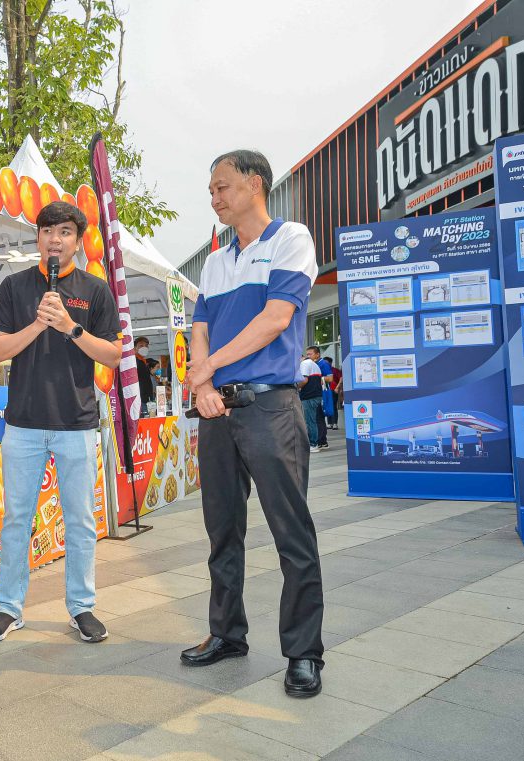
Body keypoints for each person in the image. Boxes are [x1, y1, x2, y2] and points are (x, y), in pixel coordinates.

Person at [183, 149, 325, 698]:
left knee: (292, 532)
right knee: (222, 530)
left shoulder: (291, 238)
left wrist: (208, 369)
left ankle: (303, 652)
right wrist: (203, 386)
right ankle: (227, 633)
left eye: (222, 187)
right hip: (216, 411)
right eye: (211, 190)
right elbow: (199, 327)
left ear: (255, 184)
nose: (214, 198)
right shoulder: (215, 261)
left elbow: (275, 319)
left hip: (270, 406)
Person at [0, 200, 122, 644]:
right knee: (16, 519)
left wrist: (69, 327)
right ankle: (9, 607)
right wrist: (39, 326)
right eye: (47, 231)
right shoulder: (14, 286)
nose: (54, 240)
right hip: (22, 424)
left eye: (64, 232)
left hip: (76, 423)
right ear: (38, 238)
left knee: (80, 520)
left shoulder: (95, 291)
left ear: (77, 240)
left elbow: (113, 355)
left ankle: (82, 607)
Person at [299, 353, 324, 452]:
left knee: (310, 421)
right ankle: (316, 442)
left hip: (309, 396)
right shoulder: (314, 364)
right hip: (316, 395)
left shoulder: (304, 364)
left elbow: (304, 380)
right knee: (313, 420)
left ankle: (313, 444)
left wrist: (296, 387)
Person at [306, 346, 329, 449]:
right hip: (317, 392)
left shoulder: (323, 363)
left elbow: (331, 378)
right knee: (318, 417)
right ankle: (322, 441)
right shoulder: (313, 364)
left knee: (317, 417)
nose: (308, 356)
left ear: (317, 354)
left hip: (321, 393)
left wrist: (316, 379)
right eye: (307, 354)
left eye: (310, 354)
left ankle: (319, 440)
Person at [135, 336, 155, 416]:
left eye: (146, 345)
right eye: (141, 345)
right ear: (135, 348)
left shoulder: (143, 362)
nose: (144, 348)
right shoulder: (135, 362)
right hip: (141, 399)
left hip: (146, 399)